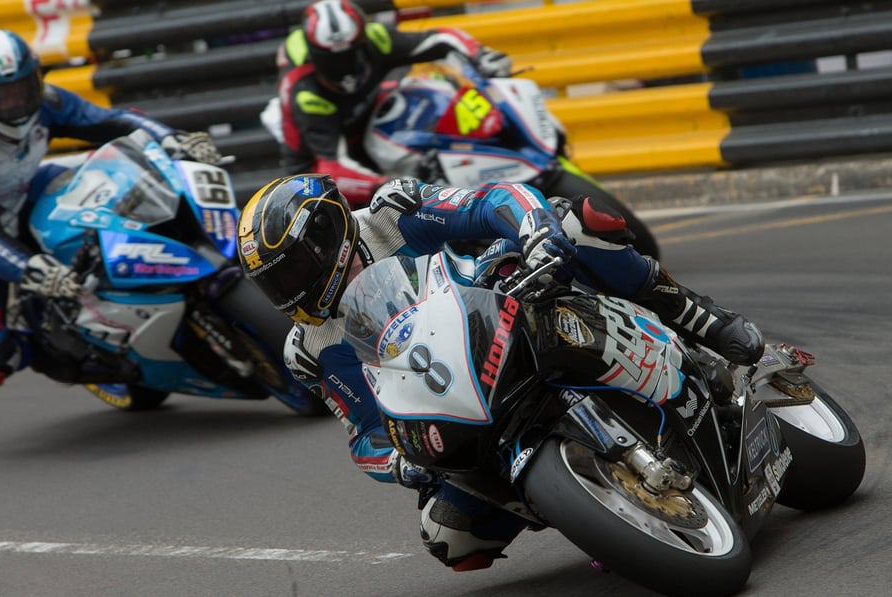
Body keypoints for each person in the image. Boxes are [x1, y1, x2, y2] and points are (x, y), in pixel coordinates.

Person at [236, 174, 765, 570]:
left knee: (574, 220)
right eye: (275, 285)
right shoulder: (308, 350)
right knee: (448, 537)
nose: (291, 292)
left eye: (295, 271)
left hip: (510, 308)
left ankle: (698, 317)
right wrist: (398, 464)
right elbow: (364, 434)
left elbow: (491, 202)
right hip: (460, 408)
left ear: (327, 236)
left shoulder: (393, 211)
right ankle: (605, 508)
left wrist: (534, 231)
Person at [0, 29, 222, 387]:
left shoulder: (45, 101)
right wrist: (32, 271)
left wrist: (173, 139)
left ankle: (186, 252)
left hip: (33, 189)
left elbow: (110, 122)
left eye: (20, 88)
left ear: (34, 79)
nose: (11, 103)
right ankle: (51, 345)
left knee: (135, 166)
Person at [267, 0, 513, 207]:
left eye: (350, 55)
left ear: (361, 41)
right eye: (333, 61)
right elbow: (332, 168)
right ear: (315, 55)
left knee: (423, 89)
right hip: (319, 164)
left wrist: (480, 55)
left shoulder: (376, 38)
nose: (343, 66)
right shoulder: (306, 92)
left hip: (367, 118)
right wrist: (388, 186)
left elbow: (439, 39)